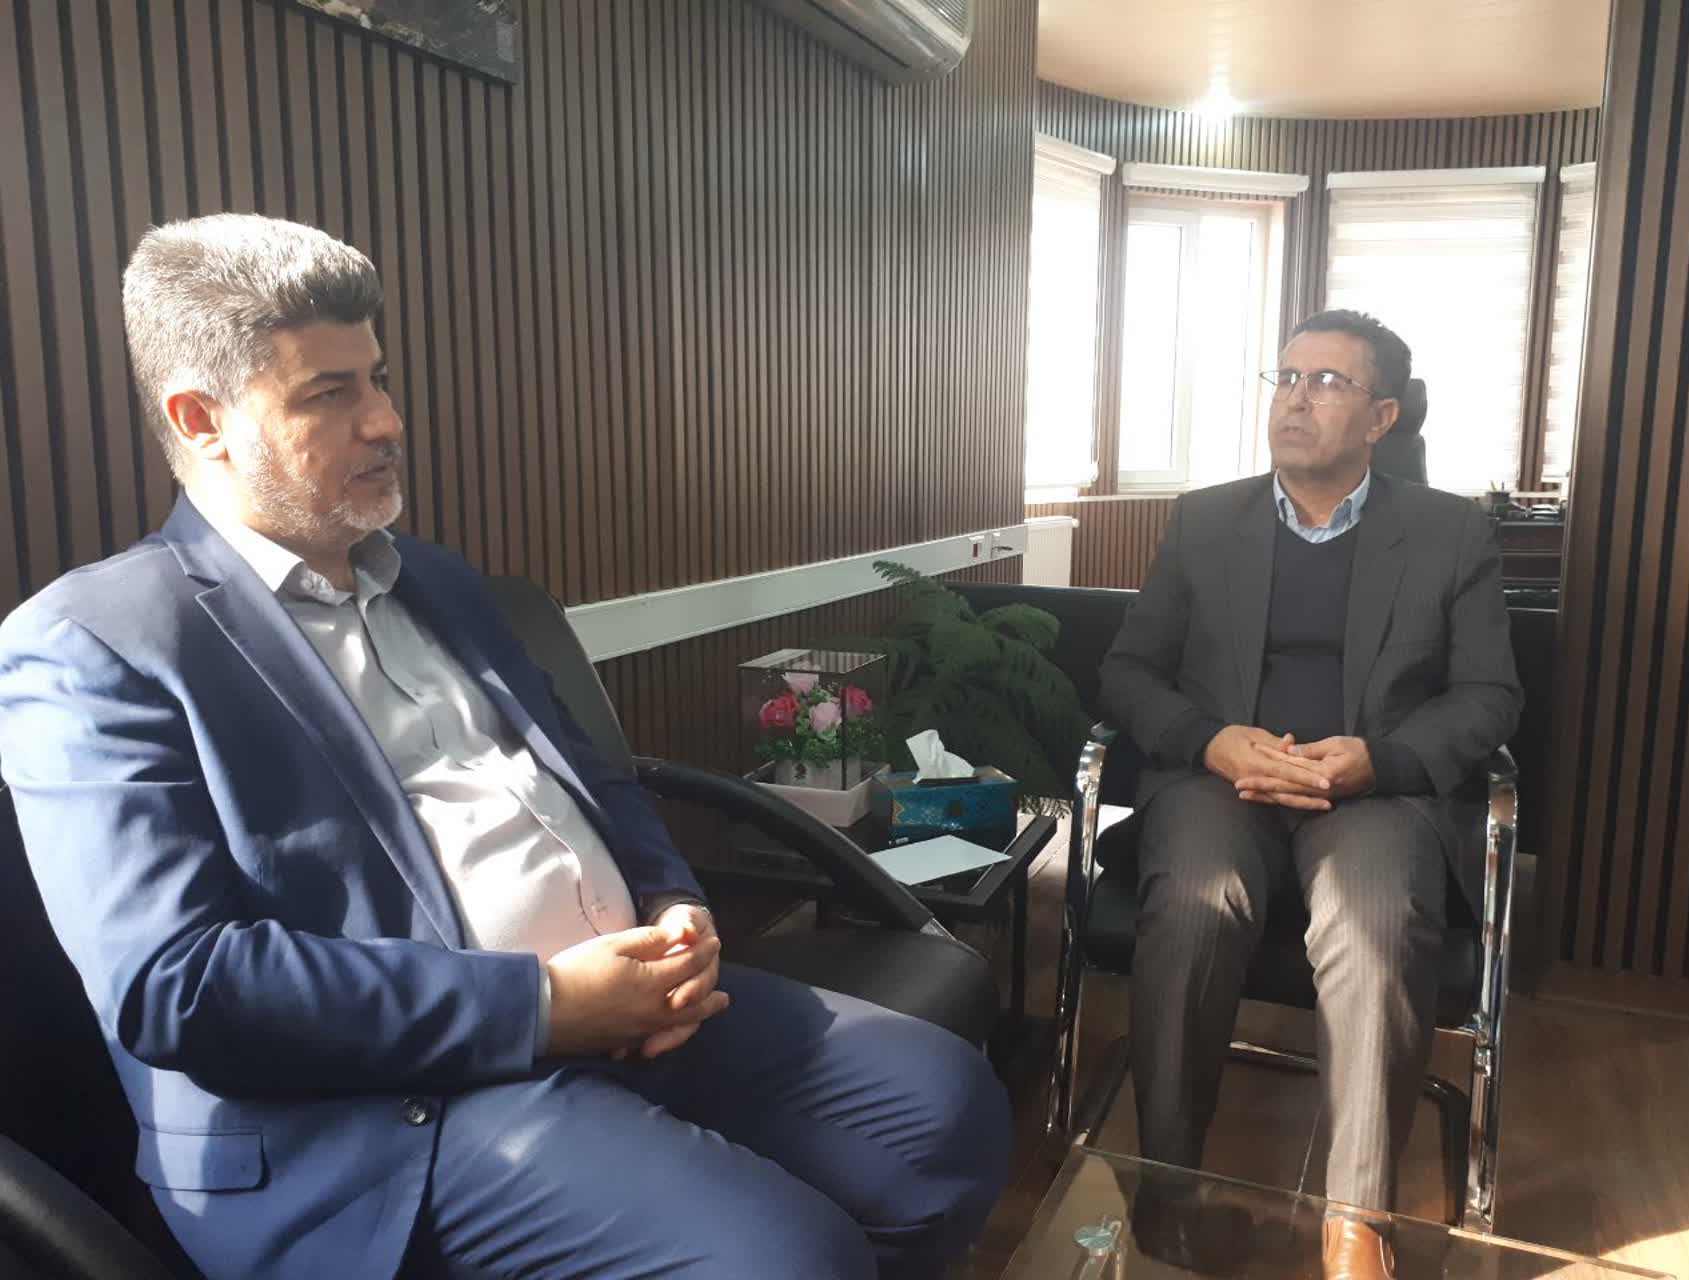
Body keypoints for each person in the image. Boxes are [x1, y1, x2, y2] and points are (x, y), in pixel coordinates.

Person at [0, 213, 1009, 1280]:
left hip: (625, 1002)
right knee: (787, 1259)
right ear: (201, 419)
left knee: (945, 1109)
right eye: (328, 393)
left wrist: (675, 903)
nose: (386, 420)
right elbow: (178, 982)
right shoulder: (91, 644)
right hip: (381, 1108)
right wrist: (544, 1008)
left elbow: (596, 778)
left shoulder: (439, 582)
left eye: (379, 378)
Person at [1098, 310, 1521, 1280]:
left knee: (1373, 926)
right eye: (1285, 376)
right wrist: (1209, 739)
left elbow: (1489, 694)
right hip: (1222, 780)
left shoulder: (1450, 531)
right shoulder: (1206, 520)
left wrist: (1382, 758)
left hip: (1370, 791)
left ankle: (1356, 1219)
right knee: (1196, 907)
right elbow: (1127, 671)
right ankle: (1168, 1183)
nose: (1295, 397)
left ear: (1380, 417)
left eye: (1327, 381)